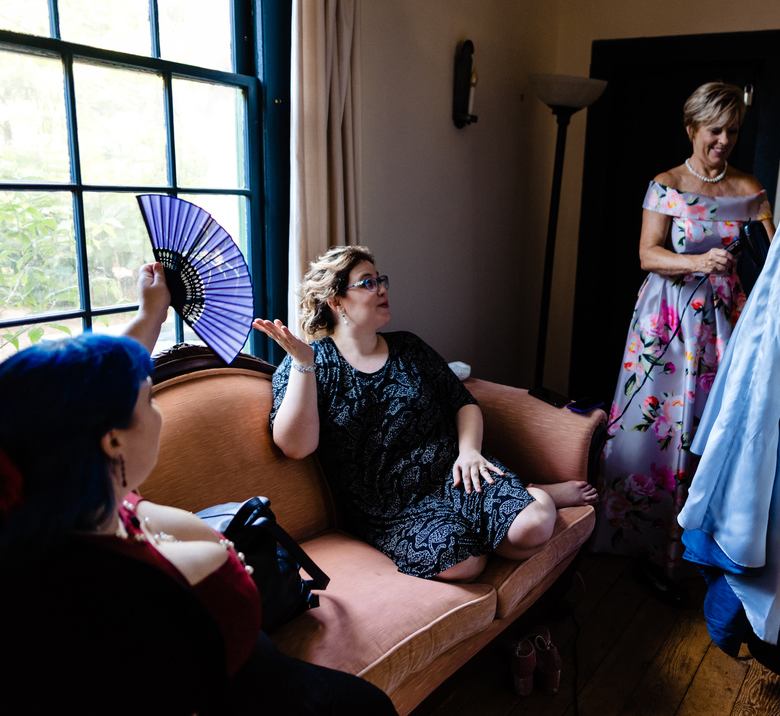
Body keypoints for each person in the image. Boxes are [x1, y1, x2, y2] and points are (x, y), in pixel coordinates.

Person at [0, 263, 396, 716]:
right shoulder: (145, 584)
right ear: (111, 440)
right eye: (150, 398)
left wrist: (151, 314)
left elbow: (87, 390)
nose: (159, 410)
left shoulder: (63, 496)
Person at [254, 245, 596, 583]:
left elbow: (462, 402)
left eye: (380, 280)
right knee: (465, 564)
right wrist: (304, 364)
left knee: (532, 527)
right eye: (368, 282)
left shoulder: (409, 347)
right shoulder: (309, 364)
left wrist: (469, 451)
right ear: (336, 301)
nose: (382, 289)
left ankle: (534, 494)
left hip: (457, 473)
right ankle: (512, 501)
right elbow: (296, 446)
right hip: (391, 510)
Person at [593, 82, 776, 580]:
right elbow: (647, 253)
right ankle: (640, 536)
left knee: (715, 422)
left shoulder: (749, 189)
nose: (724, 140)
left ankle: (703, 548)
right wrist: (697, 261)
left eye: (732, 131)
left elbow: (774, 257)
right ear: (691, 128)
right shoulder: (665, 184)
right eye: (714, 130)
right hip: (667, 320)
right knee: (657, 421)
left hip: (725, 320)